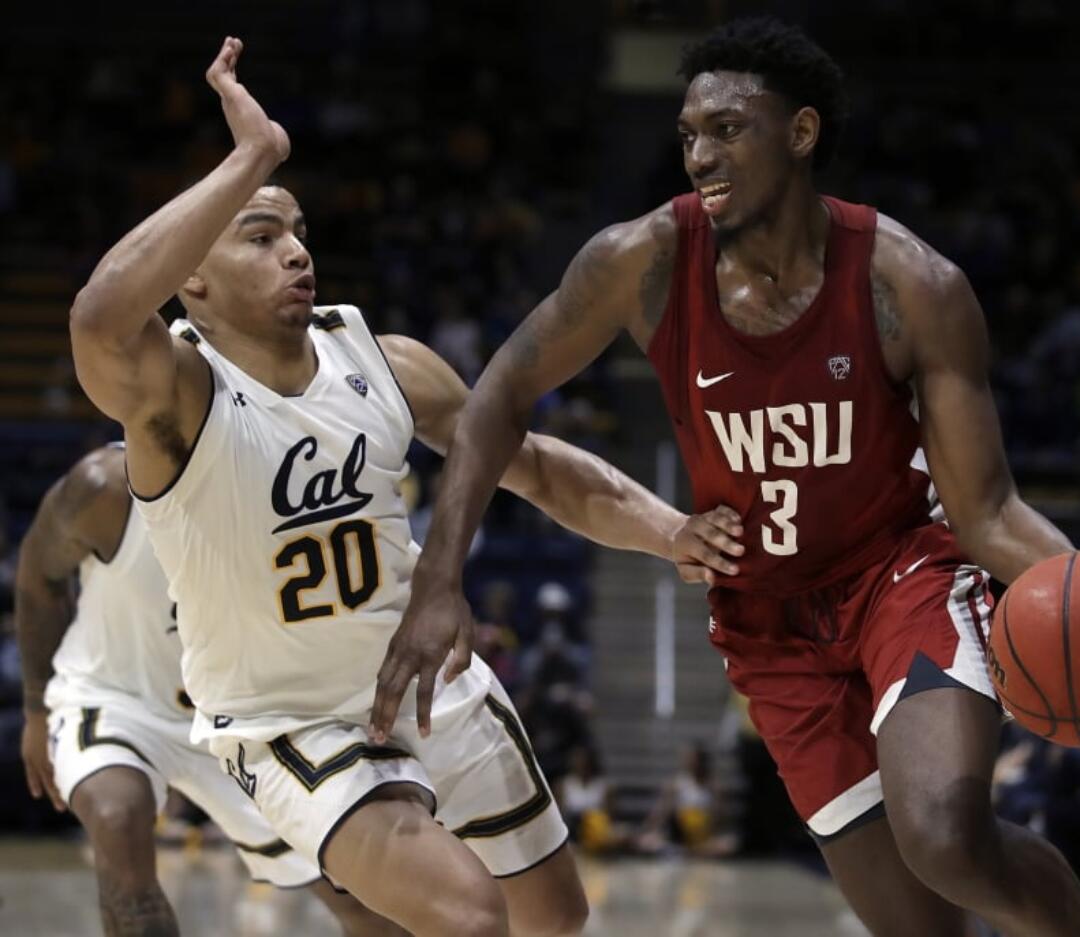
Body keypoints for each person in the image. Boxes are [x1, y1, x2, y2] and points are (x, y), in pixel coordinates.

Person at [372, 17, 1080, 937]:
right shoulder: (639, 262)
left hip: (897, 578)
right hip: (765, 621)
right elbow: (497, 397)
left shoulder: (911, 284)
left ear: (801, 133)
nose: (698, 155)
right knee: (913, 922)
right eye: (688, 135)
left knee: (946, 836)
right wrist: (441, 578)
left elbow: (987, 509)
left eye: (728, 129)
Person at [67, 37, 737, 937]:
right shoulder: (177, 394)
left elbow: (533, 466)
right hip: (292, 722)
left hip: (433, 686)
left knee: (556, 921)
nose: (296, 252)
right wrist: (252, 158)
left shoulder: (385, 362)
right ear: (193, 276)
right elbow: (100, 318)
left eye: (299, 231)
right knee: (467, 918)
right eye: (261, 237)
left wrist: (672, 533)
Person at [16, 445, 405, 936]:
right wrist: (35, 711)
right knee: (117, 820)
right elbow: (37, 576)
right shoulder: (105, 490)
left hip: (242, 713)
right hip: (117, 701)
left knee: (373, 905)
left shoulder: (289, 486)